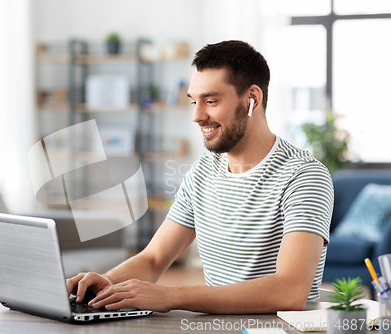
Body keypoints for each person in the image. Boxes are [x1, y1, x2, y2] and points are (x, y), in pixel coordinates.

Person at [67, 40, 333, 314]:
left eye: (211, 101)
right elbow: (154, 259)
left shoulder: (304, 176)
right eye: (194, 101)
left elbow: (289, 292)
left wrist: (172, 296)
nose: (197, 115)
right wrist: (106, 282)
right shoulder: (202, 172)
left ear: (252, 98)